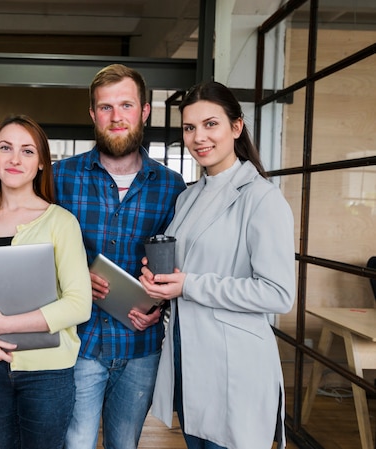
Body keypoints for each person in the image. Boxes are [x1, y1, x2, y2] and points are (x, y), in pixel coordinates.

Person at [139, 80, 295, 449]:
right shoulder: (189, 196)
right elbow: (186, 270)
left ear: (236, 127)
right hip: (190, 360)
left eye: (211, 124)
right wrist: (159, 289)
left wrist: (188, 285)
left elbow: (278, 293)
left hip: (234, 368)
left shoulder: (262, 199)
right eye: (190, 128)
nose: (199, 137)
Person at [52, 64, 187, 449]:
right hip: (80, 342)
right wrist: (72, 278)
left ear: (144, 110)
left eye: (125, 105)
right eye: (106, 107)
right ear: (93, 114)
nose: (116, 117)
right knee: (74, 443)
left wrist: (160, 304)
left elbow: (178, 265)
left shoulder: (172, 186)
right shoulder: (61, 177)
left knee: (124, 444)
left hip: (140, 347)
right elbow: (36, 248)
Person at [0, 114, 92, 449]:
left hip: (48, 373)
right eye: (6, 148)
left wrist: (4, 324)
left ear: (42, 162)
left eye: (28, 151)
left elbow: (78, 304)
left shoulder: (61, 222)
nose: (15, 159)